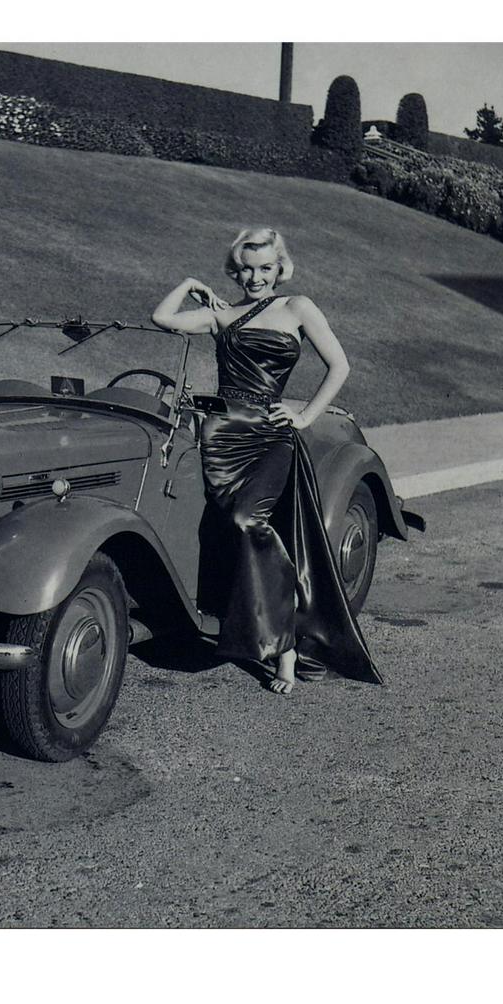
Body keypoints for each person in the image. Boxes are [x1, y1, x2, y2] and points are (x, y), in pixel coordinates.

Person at [152, 227, 379, 694]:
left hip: (272, 434)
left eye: (265, 268)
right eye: (246, 269)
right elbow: (162, 318)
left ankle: (286, 645)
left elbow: (340, 366)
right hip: (222, 437)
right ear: (235, 271)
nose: (255, 278)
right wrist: (193, 283)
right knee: (232, 527)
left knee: (246, 520)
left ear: (280, 269)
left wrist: (303, 415)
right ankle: (265, 633)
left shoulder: (298, 308)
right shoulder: (222, 316)